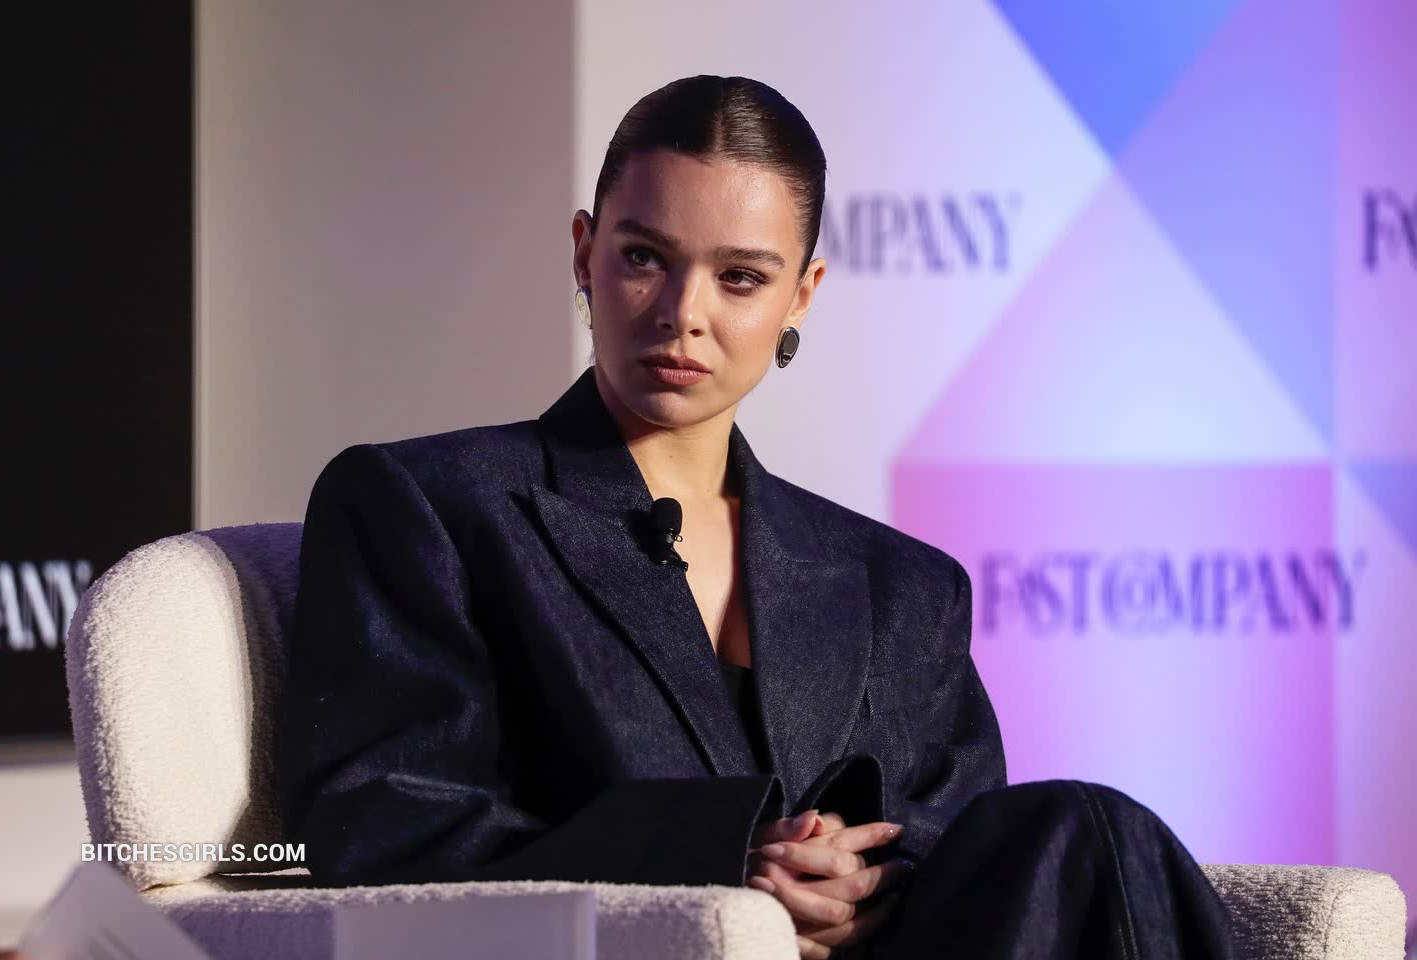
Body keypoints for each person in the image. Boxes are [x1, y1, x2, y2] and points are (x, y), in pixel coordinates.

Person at [275, 75, 1236, 959]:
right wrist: (718, 864)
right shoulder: (429, 504)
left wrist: (861, 882)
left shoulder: (905, 586)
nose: (683, 312)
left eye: (740, 278)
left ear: (799, 297)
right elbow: (379, 821)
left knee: (1085, 834)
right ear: (584, 253)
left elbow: (962, 844)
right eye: (644, 257)